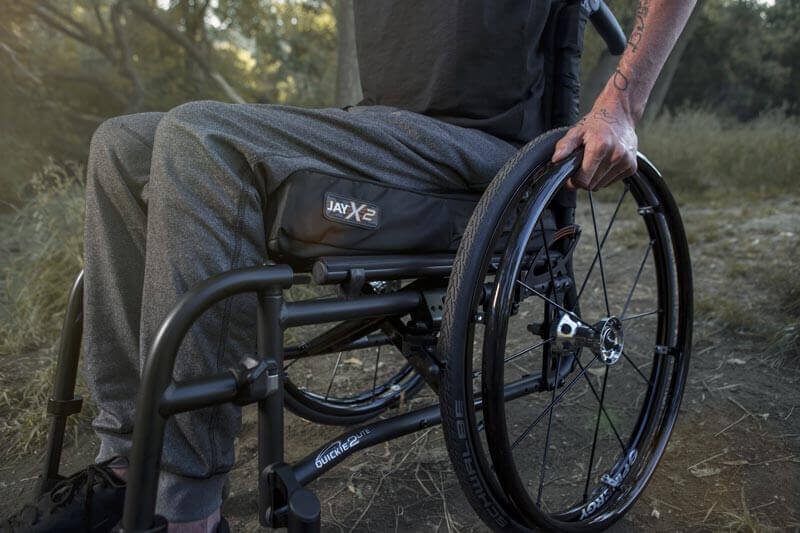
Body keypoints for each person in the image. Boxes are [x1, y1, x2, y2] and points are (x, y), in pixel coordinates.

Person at [2, 1, 696, 531]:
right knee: (121, 144)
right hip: (381, 127)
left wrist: (622, 102)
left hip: (485, 151)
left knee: (198, 138)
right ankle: (130, 459)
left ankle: (184, 503)